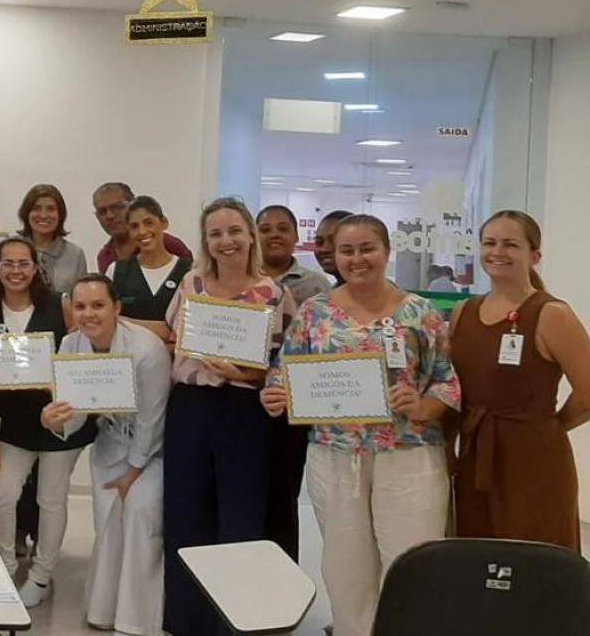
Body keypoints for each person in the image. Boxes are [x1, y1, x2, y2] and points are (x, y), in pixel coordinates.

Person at [260, 214, 459, 636]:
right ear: (335, 257)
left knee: (411, 563)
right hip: (335, 455)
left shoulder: (419, 313)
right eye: (347, 251)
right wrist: (274, 393)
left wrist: (423, 406)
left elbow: (447, 381)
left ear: (387, 252)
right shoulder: (315, 313)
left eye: (367, 248)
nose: (357, 259)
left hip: (408, 454)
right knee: (345, 567)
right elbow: (283, 372)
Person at [162, 198, 295, 636]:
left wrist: (247, 374)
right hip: (191, 409)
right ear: (205, 241)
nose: (226, 241)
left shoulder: (274, 293)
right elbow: (173, 339)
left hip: (246, 414)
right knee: (185, 514)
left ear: (250, 235)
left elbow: (283, 365)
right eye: (216, 233)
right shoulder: (191, 284)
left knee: (241, 519)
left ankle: (233, 624)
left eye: (235, 231)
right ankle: (188, 622)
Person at [447, 210, 590, 549]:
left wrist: (546, 427)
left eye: (511, 244)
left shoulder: (552, 314)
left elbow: (587, 394)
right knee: (478, 553)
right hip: (474, 454)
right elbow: (452, 389)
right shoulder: (463, 312)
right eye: (489, 243)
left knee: (534, 556)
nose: (498, 252)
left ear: (534, 256)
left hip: (534, 458)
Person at [42, 275, 170, 633]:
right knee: (108, 525)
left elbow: (152, 418)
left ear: (117, 308)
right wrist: (51, 419)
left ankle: (138, 619)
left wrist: (133, 472)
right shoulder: (70, 346)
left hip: (153, 450)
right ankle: (103, 610)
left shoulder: (147, 349)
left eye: (98, 305)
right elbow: (73, 412)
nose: (88, 314)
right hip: (109, 443)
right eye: (80, 306)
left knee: (141, 517)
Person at [0, 236, 83, 607]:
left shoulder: (60, 304)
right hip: (15, 422)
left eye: (23, 263)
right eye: (7, 263)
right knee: (2, 492)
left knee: (51, 499)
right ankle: (5, 567)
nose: (15, 270)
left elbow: (78, 352)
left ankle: (41, 576)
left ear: (35, 268)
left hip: (59, 419)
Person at [255, 203, 331, 559]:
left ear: (295, 236)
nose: (274, 234)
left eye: (282, 228)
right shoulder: (242, 280)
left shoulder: (316, 285)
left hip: (292, 404)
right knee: (248, 491)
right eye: (265, 228)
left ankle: (283, 579)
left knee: (283, 493)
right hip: (244, 396)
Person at [106, 196, 193, 344]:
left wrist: (122, 321)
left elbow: (190, 334)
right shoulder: (116, 271)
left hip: (176, 365)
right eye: (134, 226)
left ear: (164, 223)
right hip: (131, 362)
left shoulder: (190, 272)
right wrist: (157, 329)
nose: (142, 231)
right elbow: (106, 319)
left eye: (149, 223)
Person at [92, 182, 192, 274]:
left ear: (132, 206)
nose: (110, 216)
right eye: (102, 211)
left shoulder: (168, 244)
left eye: (117, 207)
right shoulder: (105, 256)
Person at [19, 184, 87, 296]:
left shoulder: (75, 254)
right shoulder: (11, 249)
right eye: (36, 209)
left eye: (50, 209)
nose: (43, 215)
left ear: (60, 215)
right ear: (26, 213)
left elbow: (81, 298)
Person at [313, 209, 353, 284]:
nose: (324, 249)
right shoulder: (333, 293)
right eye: (319, 242)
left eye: (334, 241)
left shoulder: (374, 294)